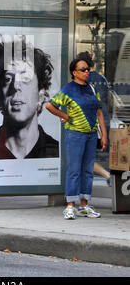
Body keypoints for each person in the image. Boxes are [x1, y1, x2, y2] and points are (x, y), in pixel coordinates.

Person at [46, 58, 107, 220]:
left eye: (88, 69)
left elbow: (99, 112)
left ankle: (84, 205)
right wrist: (64, 115)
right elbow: (50, 105)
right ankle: (70, 206)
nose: (87, 72)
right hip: (75, 134)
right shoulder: (69, 89)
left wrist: (104, 135)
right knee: (74, 170)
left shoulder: (92, 89)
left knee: (87, 170)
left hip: (91, 134)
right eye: (83, 69)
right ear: (74, 72)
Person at [0, 35, 59, 159]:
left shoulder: (55, 152)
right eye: (8, 79)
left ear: (41, 93)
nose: (16, 85)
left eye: (26, 78)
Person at [76, 51, 111, 186]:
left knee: (85, 156)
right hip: (103, 119)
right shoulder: (102, 79)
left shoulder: (83, 80)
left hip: (89, 121)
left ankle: (107, 175)